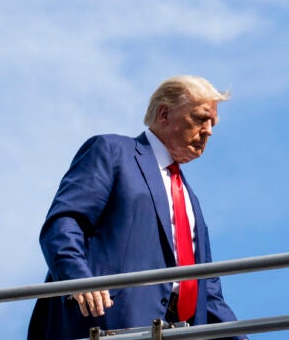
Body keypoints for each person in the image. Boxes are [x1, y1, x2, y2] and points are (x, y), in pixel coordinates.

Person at [28, 75, 247, 340]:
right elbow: (64, 223)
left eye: (212, 123)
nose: (208, 130)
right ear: (164, 114)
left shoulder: (191, 200)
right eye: (200, 118)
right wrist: (78, 280)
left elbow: (208, 289)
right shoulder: (113, 151)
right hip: (109, 322)